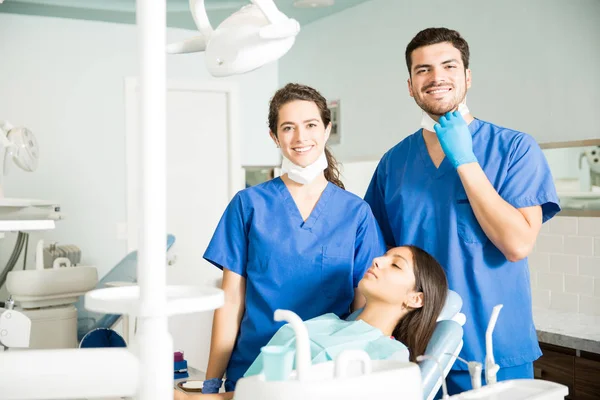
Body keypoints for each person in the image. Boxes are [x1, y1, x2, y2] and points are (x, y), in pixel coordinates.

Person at [364, 27, 561, 396]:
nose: (436, 77)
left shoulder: (515, 149)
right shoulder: (394, 163)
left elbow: (518, 244)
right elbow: (380, 261)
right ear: (410, 85)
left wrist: (465, 159)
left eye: (448, 66)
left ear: (467, 76)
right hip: (417, 349)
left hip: (494, 349)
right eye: (423, 70)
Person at [200, 83, 387, 394]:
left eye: (311, 125)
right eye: (288, 128)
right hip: (252, 370)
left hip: (324, 373)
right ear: (274, 136)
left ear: (327, 129)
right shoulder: (248, 205)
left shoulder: (356, 213)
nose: (301, 138)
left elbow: (362, 309)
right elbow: (231, 302)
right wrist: (210, 382)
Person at [174, 245, 449, 400]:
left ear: (416, 299)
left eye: (395, 265)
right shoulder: (326, 323)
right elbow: (244, 394)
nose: (378, 260)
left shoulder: (391, 357)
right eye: (384, 256)